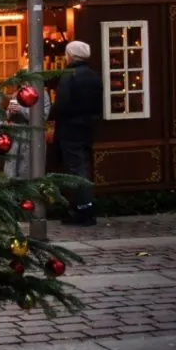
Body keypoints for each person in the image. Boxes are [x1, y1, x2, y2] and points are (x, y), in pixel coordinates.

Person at [49, 40, 102, 226]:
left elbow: (62, 102)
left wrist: (49, 115)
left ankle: (83, 208)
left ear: (70, 55)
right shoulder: (94, 76)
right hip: (87, 127)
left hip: (70, 127)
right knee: (83, 166)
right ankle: (86, 206)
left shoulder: (69, 76)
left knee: (75, 169)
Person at [5, 88, 51, 179]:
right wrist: (9, 111)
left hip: (32, 136)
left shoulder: (42, 94)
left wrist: (21, 109)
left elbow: (42, 117)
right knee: (11, 170)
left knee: (27, 170)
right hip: (15, 134)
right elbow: (7, 115)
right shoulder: (17, 93)